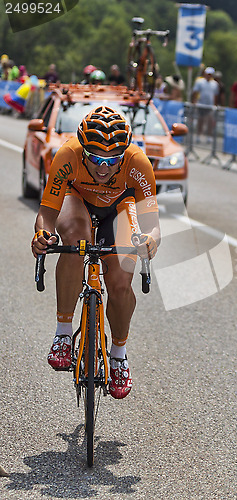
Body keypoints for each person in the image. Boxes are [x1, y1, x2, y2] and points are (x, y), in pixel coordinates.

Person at [31, 106, 161, 400]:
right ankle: (63, 333)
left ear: (124, 155)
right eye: (95, 159)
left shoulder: (138, 163)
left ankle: (118, 355)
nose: (103, 167)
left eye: (112, 160)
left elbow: (153, 226)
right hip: (78, 201)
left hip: (119, 209)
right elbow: (47, 212)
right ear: (83, 152)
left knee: (118, 284)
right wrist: (42, 235)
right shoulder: (67, 155)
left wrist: (150, 241)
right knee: (76, 242)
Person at [192, 66, 219, 142]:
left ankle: (209, 136)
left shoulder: (215, 84)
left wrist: (215, 104)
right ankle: (198, 135)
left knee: (210, 121)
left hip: (210, 105)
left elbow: (216, 95)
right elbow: (195, 92)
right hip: (201, 104)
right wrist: (194, 101)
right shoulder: (200, 82)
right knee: (200, 120)